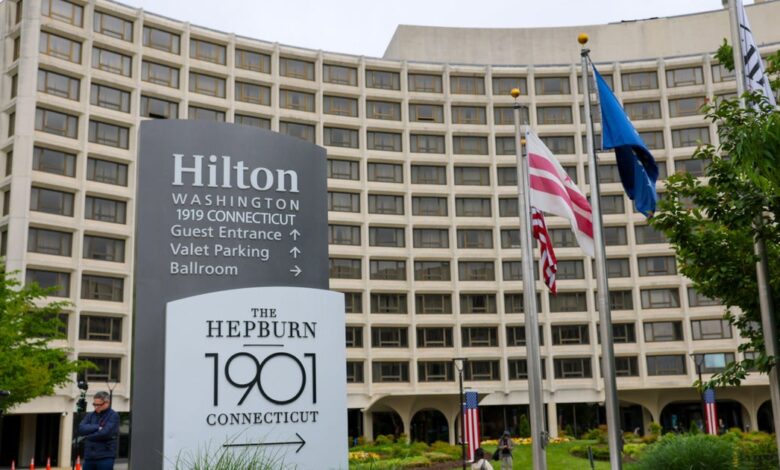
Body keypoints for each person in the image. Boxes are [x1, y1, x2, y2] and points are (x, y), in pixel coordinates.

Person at [78, 391, 119, 470]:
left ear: (107, 403)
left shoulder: (113, 415)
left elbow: (105, 433)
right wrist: (97, 427)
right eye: (94, 404)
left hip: (105, 456)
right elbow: (81, 429)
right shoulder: (90, 415)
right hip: (89, 457)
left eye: (99, 405)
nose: (96, 407)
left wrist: (87, 436)